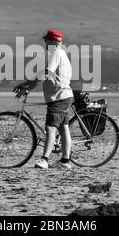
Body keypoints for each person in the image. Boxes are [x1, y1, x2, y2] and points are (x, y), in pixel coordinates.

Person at [13, 30, 74, 169]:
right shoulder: (61, 53)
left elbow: (46, 74)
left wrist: (28, 86)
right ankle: (65, 161)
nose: (45, 43)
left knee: (51, 128)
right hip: (64, 96)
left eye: (46, 40)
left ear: (53, 41)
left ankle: (44, 159)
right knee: (64, 128)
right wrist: (27, 84)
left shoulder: (56, 54)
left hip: (58, 97)